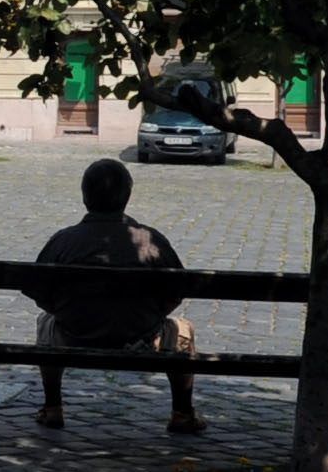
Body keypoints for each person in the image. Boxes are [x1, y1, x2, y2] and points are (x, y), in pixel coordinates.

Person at [22, 157, 204, 435]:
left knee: (46, 322)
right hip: (142, 337)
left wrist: (65, 311)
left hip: (74, 336)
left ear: (85, 197)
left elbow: (38, 291)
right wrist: (151, 315)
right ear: (127, 197)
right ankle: (182, 413)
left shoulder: (65, 240)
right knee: (183, 330)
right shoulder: (150, 240)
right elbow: (176, 290)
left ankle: (52, 407)